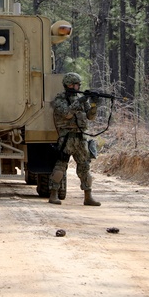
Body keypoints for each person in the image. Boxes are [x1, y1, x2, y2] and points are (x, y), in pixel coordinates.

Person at [49, 72, 100, 206]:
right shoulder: (60, 100)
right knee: (60, 166)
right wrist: (80, 101)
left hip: (81, 138)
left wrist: (94, 104)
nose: (79, 87)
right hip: (67, 138)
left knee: (85, 167)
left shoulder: (80, 100)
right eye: (77, 84)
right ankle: (53, 194)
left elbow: (90, 117)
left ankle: (88, 196)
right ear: (70, 85)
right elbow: (66, 114)